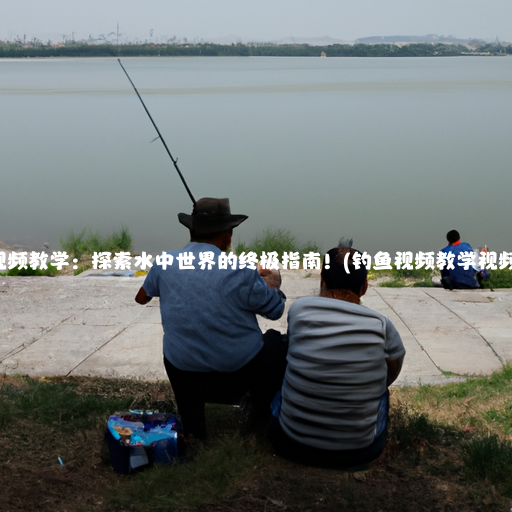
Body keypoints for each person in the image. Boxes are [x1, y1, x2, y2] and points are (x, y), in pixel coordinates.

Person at [135, 197, 287, 440]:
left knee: (175, 352)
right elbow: (275, 309)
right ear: (227, 235)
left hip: (184, 371)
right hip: (238, 374)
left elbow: (141, 298)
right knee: (278, 345)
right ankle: (258, 417)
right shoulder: (242, 272)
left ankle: (195, 430)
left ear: (191, 230)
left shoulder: (164, 262)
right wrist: (272, 282)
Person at [268, 246, 405, 468]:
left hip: (289, 443)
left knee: (276, 351)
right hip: (359, 452)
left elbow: (294, 349)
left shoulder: (299, 309)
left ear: (322, 279)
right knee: (383, 394)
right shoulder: (382, 325)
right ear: (365, 287)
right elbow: (392, 372)